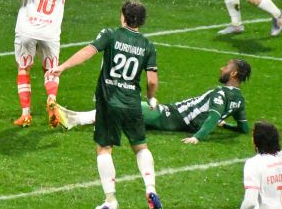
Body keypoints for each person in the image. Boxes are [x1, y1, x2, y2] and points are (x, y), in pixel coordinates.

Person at [49, 0, 162, 209]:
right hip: (132, 103)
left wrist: (63, 67)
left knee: (104, 148)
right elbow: (152, 81)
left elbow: (88, 52)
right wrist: (151, 98)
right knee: (140, 147)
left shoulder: (111, 35)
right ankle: (150, 189)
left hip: (109, 101)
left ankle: (111, 200)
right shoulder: (148, 46)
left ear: (123, 17)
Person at [58, 59, 251, 145]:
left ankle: (72, 119)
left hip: (169, 115)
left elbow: (213, 116)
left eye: (227, 67)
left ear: (233, 73)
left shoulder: (220, 94)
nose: (222, 68)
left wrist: (198, 137)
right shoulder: (239, 100)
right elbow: (243, 128)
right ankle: (74, 118)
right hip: (174, 117)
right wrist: (226, 125)